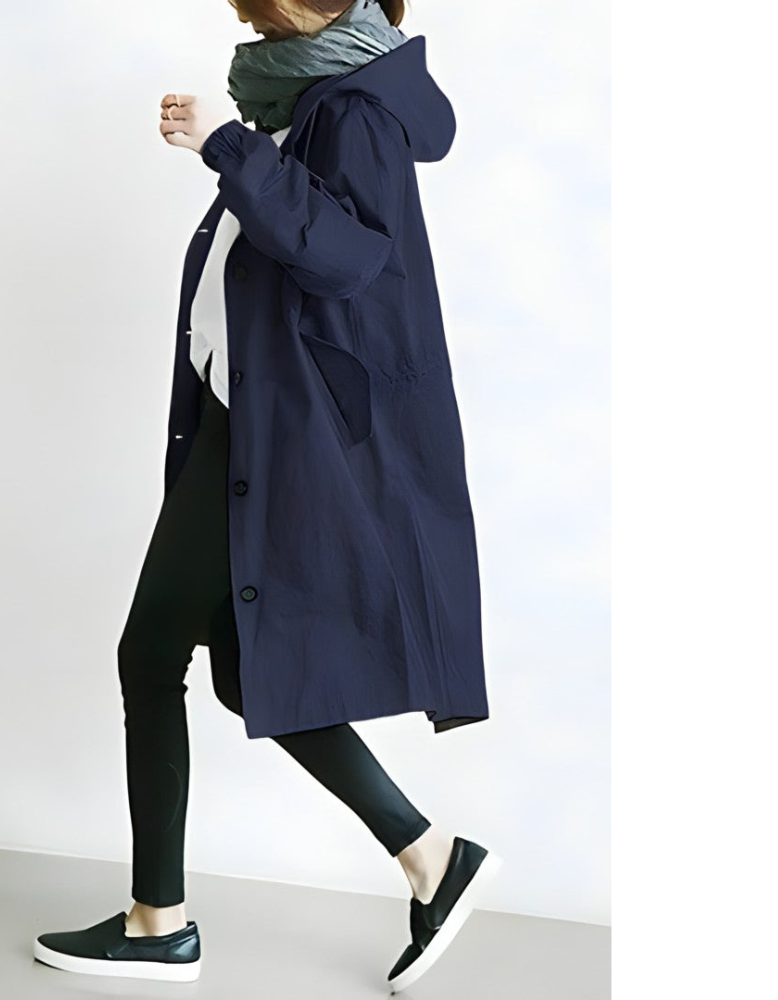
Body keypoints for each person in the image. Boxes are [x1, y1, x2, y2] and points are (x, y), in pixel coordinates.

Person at [33, 1, 501, 991]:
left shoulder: (355, 109)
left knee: (152, 653)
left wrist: (227, 146)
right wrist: (237, 146)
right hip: (244, 416)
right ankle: (429, 857)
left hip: (275, 431)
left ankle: (159, 923)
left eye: (254, 4)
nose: (242, 16)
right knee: (247, 671)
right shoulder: (309, 94)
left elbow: (346, 255)